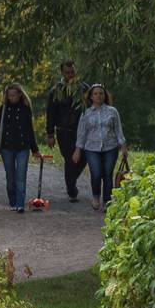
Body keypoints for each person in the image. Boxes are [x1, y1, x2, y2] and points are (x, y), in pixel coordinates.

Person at [74, 83, 128, 212]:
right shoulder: (86, 113)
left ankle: (107, 201)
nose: (99, 96)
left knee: (107, 174)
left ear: (105, 95)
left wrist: (123, 147)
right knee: (96, 173)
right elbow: (81, 133)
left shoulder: (112, 111)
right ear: (91, 97)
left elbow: (118, 130)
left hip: (110, 147)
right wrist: (78, 150)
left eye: (101, 93)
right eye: (96, 94)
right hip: (92, 148)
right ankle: (96, 195)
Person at [43, 60, 90, 202]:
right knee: (70, 159)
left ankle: (71, 179)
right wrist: (50, 133)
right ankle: (71, 189)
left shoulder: (84, 88)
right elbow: (50, 113)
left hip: (82, 129)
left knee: (84, 158)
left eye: (72, 72)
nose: (70, 75)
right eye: (67, 72)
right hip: (64, 130)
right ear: (62, 73)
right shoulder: (56, 91)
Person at [0, 82, 40, 213]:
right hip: (7, 147)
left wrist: (34, 149)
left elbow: (29, 129)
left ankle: (20, 203)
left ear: (20, 95)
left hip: (23, 146)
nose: (12, 98)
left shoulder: (25, 108)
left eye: (14, 95)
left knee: (21, 176)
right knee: (10, 177)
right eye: (9, 95)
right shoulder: (3, 109)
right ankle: (12, 200)